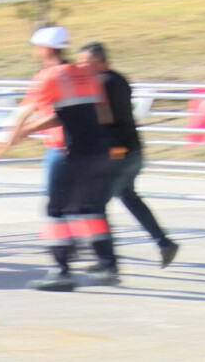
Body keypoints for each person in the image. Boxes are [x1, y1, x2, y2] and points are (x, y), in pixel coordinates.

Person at [0, 26, 118, 292]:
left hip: (66, 151)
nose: (34, 52)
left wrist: (5, 142)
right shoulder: (86, 74)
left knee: (55, 212)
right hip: (98, 151)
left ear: (45, 49)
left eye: (35, 47)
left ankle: (61, 272)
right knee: (88, 209)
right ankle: (107, 265)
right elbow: (103, 115)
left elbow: (23, 112)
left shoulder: (47, 76)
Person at [77, 41, 179, 268]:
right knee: (129, 197)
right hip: (133, 151)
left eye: (85, 63)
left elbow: (105, 122)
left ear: (98, 61)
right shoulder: (119, 79)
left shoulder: (102, 83)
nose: (81, 67)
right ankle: (163, 242)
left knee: (95, 206)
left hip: (118, 154)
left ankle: (105, 259)